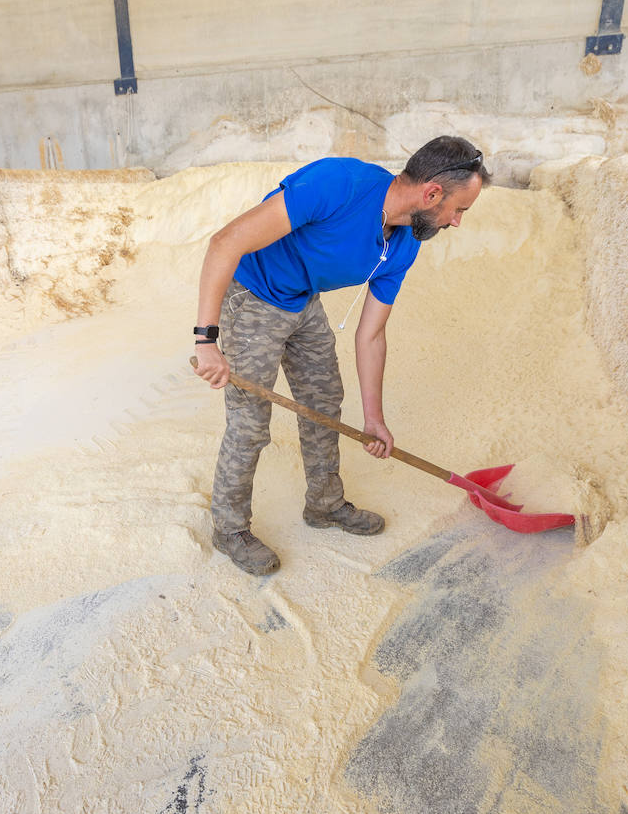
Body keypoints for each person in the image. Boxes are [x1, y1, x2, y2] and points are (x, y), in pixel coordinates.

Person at [192, 136, 492, 575]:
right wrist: (206, 340)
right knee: (250, 421)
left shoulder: (404, 244)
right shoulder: (339, 184)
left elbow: (371, 334)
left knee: (324, 403)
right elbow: (225, 242)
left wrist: (374, 419)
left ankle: (325, 504)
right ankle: (230, 528)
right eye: (459, 209)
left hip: (302, 300)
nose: (457, 222)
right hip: (252, 296)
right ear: (431, 194)